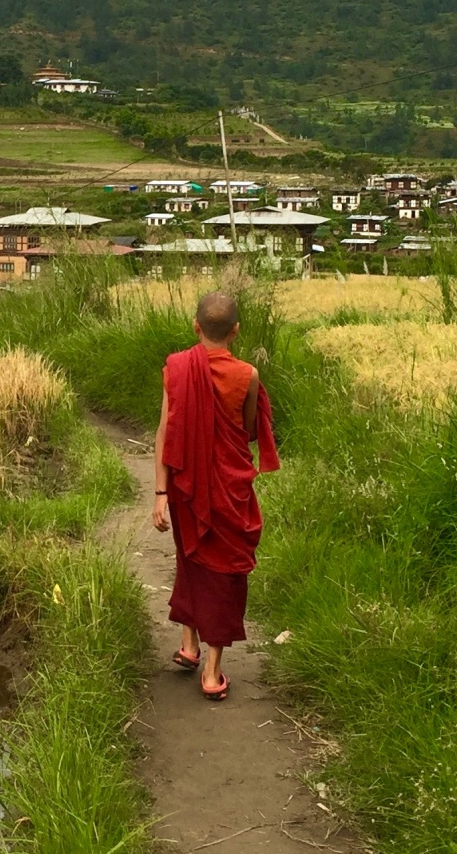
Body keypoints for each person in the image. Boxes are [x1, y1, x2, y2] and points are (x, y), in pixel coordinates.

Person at [151, 290, 280, 701]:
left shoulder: (176, 368)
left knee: (191, 557)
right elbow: (244, 433)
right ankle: (211, 671)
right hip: (228, 485)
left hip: (184, 485)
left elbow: (165, 433)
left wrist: (159, 492)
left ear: (195, 325)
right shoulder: (248, 375)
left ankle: (188, 645)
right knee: (224, 572)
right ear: (236, 331)